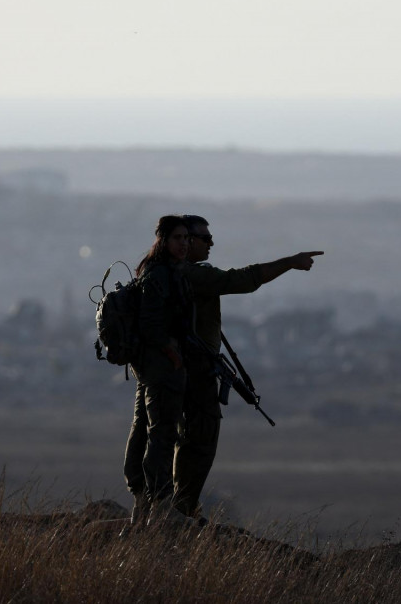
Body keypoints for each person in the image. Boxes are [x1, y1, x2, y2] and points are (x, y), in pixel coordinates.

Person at [172, 214, 323, 518]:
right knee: (199, 439)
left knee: (184, 438)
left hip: (181, 371)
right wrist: (289, 262)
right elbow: (241, 280)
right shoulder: (191, 276)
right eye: (204, 238)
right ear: (186, 242)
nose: (210, 243)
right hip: (192, 372)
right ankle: (181, 508)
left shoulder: (169, 274)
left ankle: (176, 504)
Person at [122, 215, 194, 525]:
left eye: (186, 238)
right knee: (162, 432)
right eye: (178, 237)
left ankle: (142, 503)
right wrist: (171, 352)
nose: (184, 244)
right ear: (163, 240)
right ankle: (160, 504)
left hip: (151, 367)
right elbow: (151, 324)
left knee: (145, 429)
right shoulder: (159, 275)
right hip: (160, 367)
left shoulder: (159, 272)